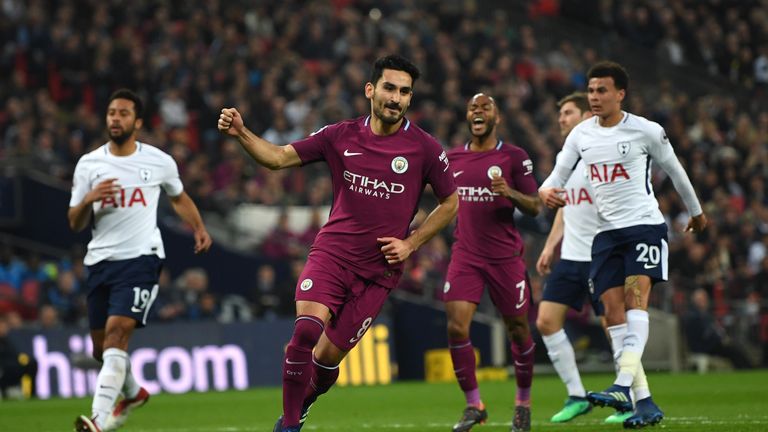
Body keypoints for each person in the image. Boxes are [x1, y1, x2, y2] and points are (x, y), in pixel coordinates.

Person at [218, 54, 458, 432]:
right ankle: (290, 424)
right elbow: (279, 159)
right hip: (332, 254)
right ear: (370, 90)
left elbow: (451, 202)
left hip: (379, 272)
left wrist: (412, 243)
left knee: (328, 360)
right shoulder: (340, 135)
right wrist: (242, 133)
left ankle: (305, 401)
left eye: (405, 92)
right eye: (389, 88)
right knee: (305, 333)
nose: (396, 98)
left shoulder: (426, 149)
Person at [539, 61, 707, 429]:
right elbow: (556, 175)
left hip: (644, 229)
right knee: (614, 315)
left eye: (602, 91)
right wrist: (545, 190)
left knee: (635, 303)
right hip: (606, 237)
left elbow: (676, 170)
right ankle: (644, 403)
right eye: (591, 90)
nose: (595, 97)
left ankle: (621, 384)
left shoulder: (646, 131)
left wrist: (695, 212)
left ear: (620, 94)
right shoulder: (582, 135)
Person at [69, 89, 212, 432]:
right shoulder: (89, 164)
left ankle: (98, 421)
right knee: (102, 350)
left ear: (138, 121)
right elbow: (74, 222)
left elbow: (178, 197)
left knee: (118, 336)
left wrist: (198, 227)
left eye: (122, 113)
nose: (115, 119)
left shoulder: (158, 161)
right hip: (100, 261)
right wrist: (88, 199)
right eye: (111, 113)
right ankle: (133, 393)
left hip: (141, 259)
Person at [536, 92, 653, 425]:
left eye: (567, 112)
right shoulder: (569, 158)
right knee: (546, 320)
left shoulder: (601, 156)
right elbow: (565, 205)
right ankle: (576, 394)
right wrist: (549, 246)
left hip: (602, 257)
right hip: (571, 258)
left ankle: (634, 400)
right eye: (559, 112)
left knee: (614, 326)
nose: (561, 118)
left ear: (587, 114)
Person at [442, 93, 541, 432]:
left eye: (485, 107)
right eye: (472, 107)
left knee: (518, 330)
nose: (478, 111)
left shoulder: (514, 157)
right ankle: (474, 406)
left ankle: (523, 404)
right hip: (466, 255)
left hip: (505, 258)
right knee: (456, 325)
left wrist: (509, 193)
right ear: (468, 117)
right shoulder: (451, 158)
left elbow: (536, 206)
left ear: (497, 117)